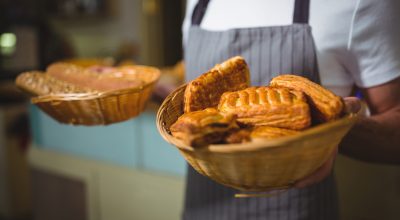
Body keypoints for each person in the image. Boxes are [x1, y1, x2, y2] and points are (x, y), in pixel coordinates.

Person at [178, 0, 400, 219]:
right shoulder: (198, 4)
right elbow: (196, 108)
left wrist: (333, 133)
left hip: (296, 208)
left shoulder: (361, 3)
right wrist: (156, 92)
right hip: (203, 207)